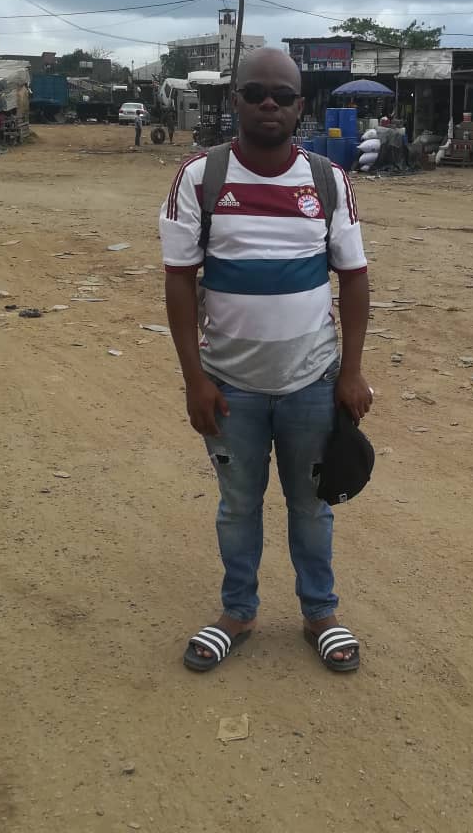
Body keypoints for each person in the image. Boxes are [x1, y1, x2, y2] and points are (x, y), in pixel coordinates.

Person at [159, 48, 372, 674]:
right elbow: (179, 281)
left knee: (311, 505)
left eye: (282, 95)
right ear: (236, 101)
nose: (269, 104)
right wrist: (194, 381)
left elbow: (354, 278)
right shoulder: (200, 178)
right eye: (255, 93)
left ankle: (320, 614)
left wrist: (351, 372)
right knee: (237, 506)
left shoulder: (328, 180)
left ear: (301, 105)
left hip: (312, 382)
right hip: (230, 388)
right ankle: (239, 613)